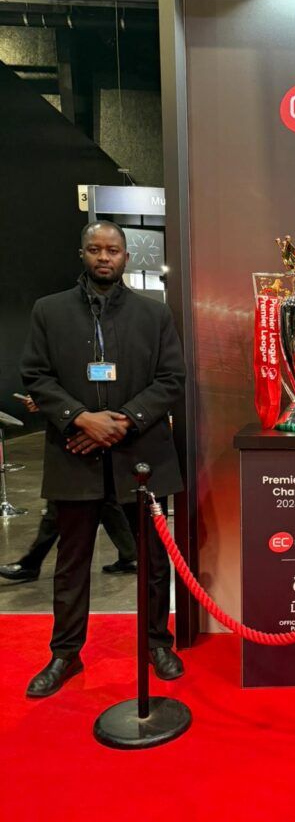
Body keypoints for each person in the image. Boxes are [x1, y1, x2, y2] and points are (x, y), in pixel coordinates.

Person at [21, 221, 187, 697]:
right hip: (74, 455)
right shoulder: (48, 311)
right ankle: (65, 654)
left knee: (154, 562)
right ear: (82, 254)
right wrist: (80, 419)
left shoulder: (154, 315)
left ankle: (157, 642)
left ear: (125, 257)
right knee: (72, 562)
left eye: (112, 250)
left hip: (142, 458)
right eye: (94, 249)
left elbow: (171, 379)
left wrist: (122, 421)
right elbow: (36, 375)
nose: (103, 257)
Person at [0, 397, 137, 582]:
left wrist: (47, 402)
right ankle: (131, 556)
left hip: (87, 437)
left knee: (60, 502)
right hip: (81, 435)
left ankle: (31, 564)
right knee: (106, 500)